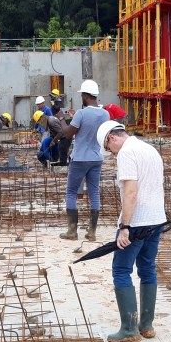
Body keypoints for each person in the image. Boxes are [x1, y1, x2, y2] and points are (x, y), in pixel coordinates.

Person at [96, 120, 166, 342]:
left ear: (111, 138)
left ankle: (128, 329)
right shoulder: (149, 149)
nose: (111, 153)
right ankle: (146, 326)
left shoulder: (126, 153)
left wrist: (124, 226)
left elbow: (131, 192)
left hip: (137, 222)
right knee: (147, 269)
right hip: (157, 219)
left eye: (108, 149)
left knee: (121, 270)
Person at [58, 79, 109, 241]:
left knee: (71, 192)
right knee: (94, 192)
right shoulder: (105, 114)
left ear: (86, 96)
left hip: (80, 158)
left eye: (82, 95)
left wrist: (61, 119)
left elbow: (67, 133)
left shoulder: (81, 113)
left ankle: (72, 231)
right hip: (96, 158)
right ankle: (92, 232)